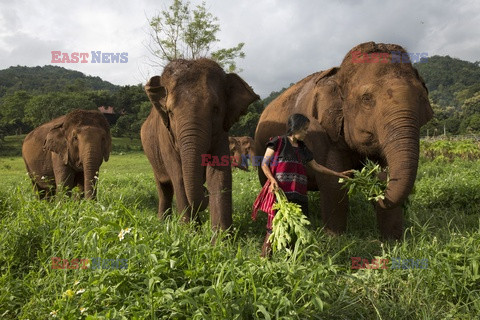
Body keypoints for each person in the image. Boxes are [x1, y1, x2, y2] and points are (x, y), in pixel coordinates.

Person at [258, 113, 353, 257]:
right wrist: (272, 180)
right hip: (281, 194)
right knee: (273, 229)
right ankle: (265, 260)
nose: (306, 133)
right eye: (304, 129)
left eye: (307, 129)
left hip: (299, 194)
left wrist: (338, 174)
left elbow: (317, 166)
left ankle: (291, 261)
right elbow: (264, 163)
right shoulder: (277, 142)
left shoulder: (303, 148)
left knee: (295, 230)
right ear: (294, 128)